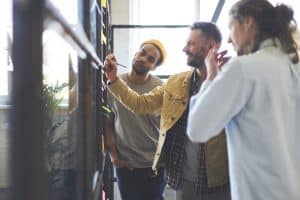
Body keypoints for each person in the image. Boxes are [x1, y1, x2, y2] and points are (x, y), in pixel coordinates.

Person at [187, 1, 300, 200]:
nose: (229, 39)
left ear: (248, 22)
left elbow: (197, 128)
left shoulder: (243, 68)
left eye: (231, 27)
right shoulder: (293, 66)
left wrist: (211, 78)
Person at [104, 22, 231, 200]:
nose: (184, 49)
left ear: (210, 46)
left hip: (220, 181)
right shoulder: (177, 82)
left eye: (191, 44)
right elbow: (140, 103)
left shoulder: (231, 80)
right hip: (184, 179)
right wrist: (113, 79)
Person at [104, 39, 167, 200]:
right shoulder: (113, 84)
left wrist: (164, 159)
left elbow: (168, 126)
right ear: (135, 53)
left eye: (151, 59)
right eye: (142, 52)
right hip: (127, 165)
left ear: (154, 67)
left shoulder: (160, 88)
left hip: (155, 166)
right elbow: (109, 122)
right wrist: (114, 156)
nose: (143, 58)